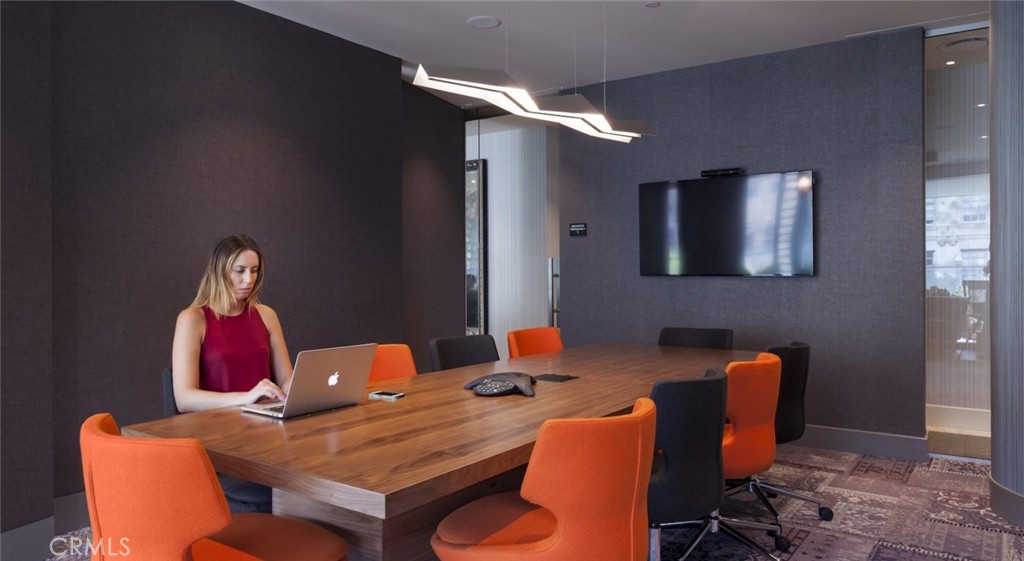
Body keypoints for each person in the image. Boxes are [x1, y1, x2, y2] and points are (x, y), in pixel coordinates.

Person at [172, 234, 293, 412]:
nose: (249, 279)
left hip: (264, 422)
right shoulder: (192, 319)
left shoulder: (267, 315)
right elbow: (184, 399)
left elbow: (286, 380)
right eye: (240, 270)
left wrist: (307, 389)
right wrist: (246, 398)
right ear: (220, 271)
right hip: (216, 425)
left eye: (254, 270)